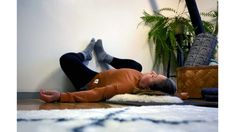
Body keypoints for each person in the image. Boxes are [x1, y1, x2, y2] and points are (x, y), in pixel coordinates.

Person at [40, 39, 176, 103]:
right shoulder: (140, 77)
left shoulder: (122, 87)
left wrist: (60, 96)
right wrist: (180, 94)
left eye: (154, 76)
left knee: (67, 59)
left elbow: (96, 93)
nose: (152, 72)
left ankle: (84, 54)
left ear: (148, 89)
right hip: (102, 76)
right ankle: (105, 57)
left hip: (90, 81)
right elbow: (169, 93)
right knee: (137, 66)